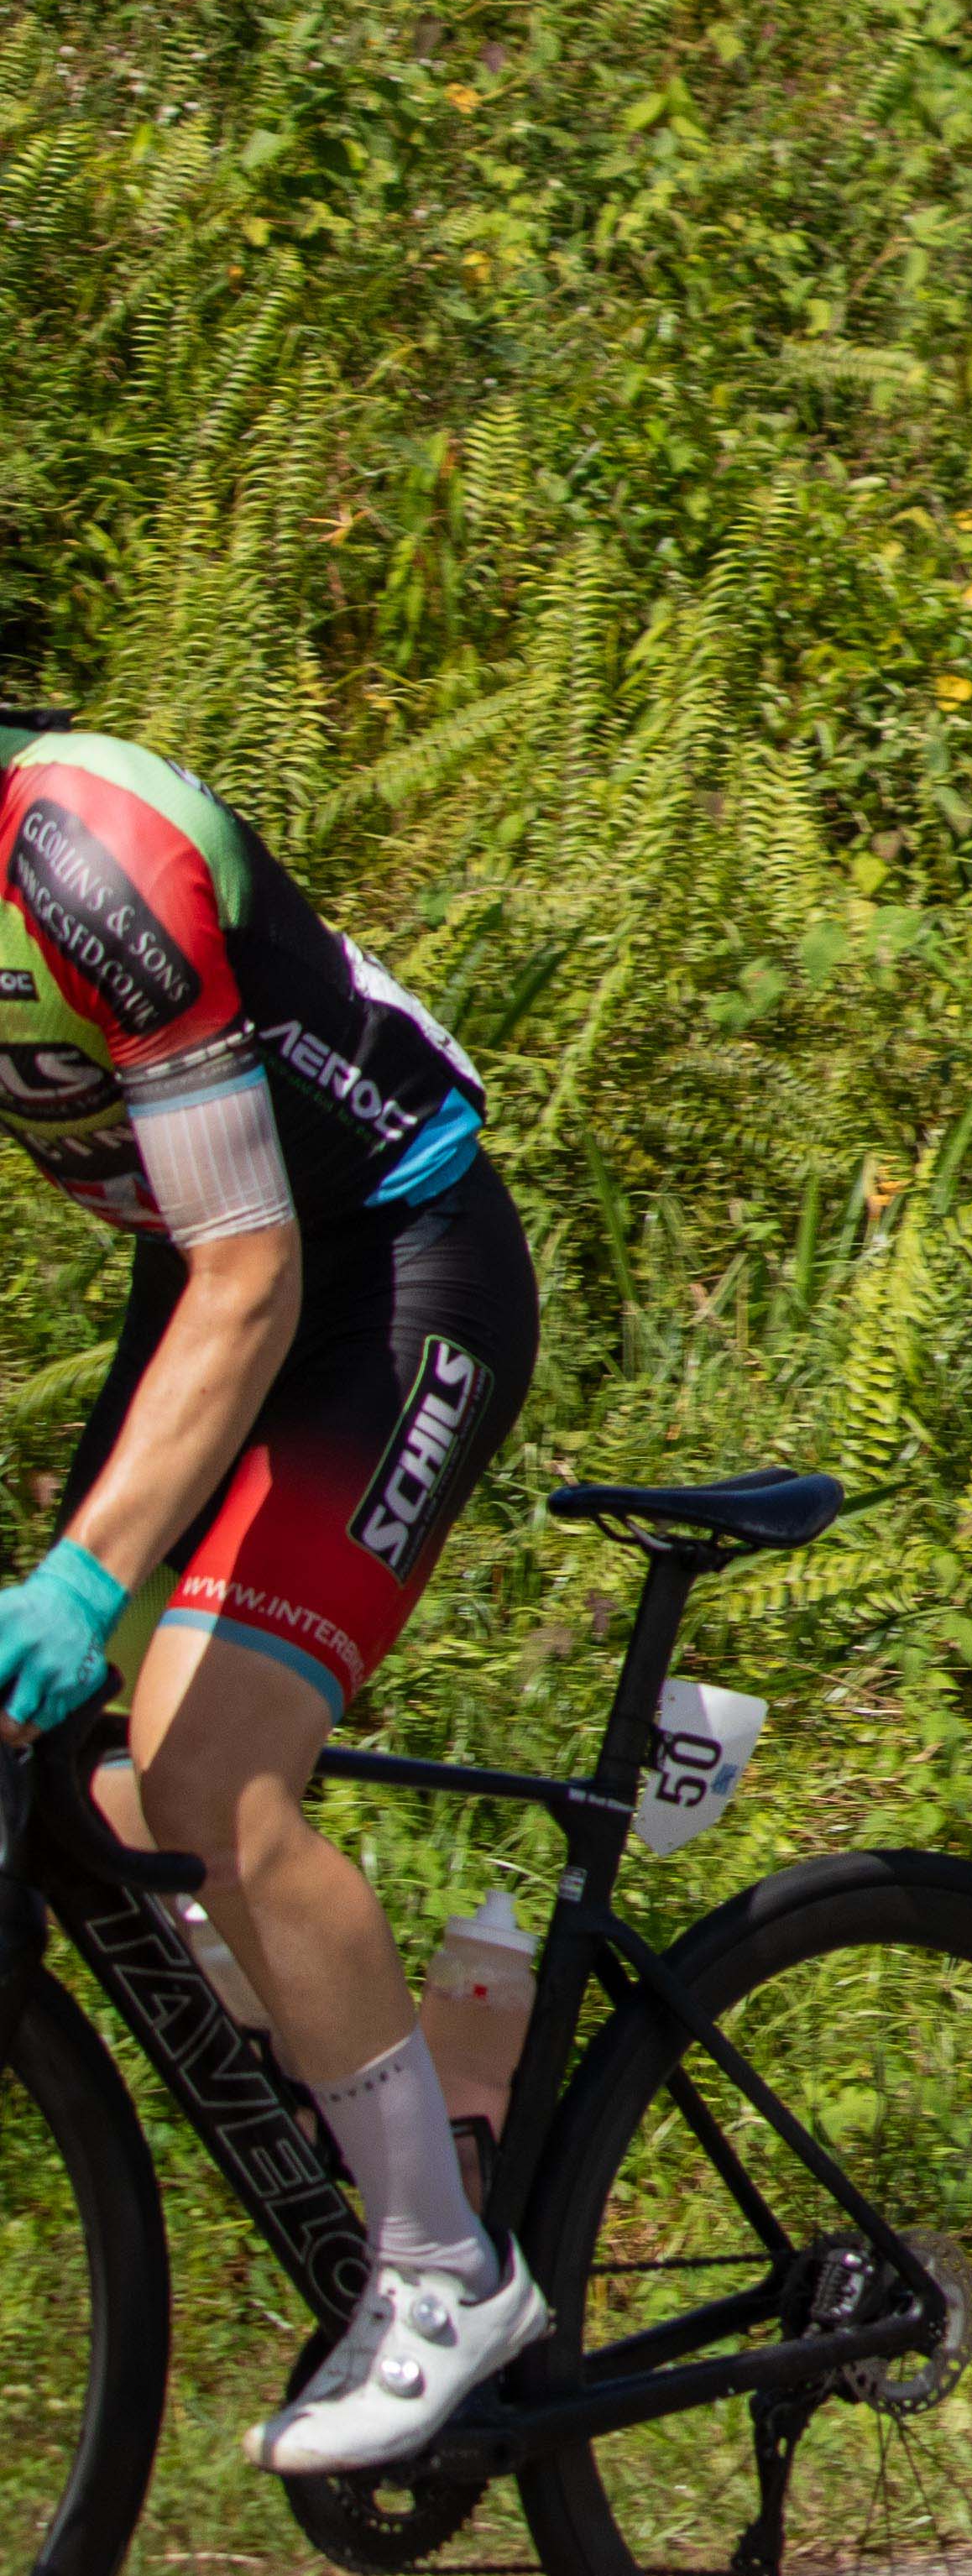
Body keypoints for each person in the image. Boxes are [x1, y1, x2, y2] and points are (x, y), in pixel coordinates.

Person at [0, 716, 541, 2466]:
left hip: (387, 1267)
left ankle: (445, 2260)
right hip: (214, 1267)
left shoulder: (84, 860)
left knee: (205, 1767)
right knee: (52, 1754)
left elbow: (252, 1274)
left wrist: (88, 1574)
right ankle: (373, 2082)